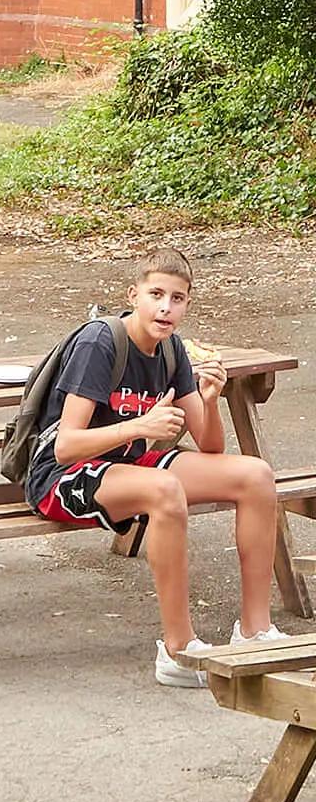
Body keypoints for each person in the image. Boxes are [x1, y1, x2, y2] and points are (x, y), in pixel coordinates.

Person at [27, 241, 287, 685]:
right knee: (165, 489)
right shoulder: (100, 342)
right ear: (133, 295)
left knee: (255, 475)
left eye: (178, 299)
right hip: (62, 476)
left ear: (187, 304)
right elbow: (66, 446)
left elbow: (209, 446)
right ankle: (179, 651)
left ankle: (253, 631)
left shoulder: (173, 350)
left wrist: (209, 398)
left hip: (131, 463)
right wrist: (139, 426)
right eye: (156, 295)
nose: (166, 308)